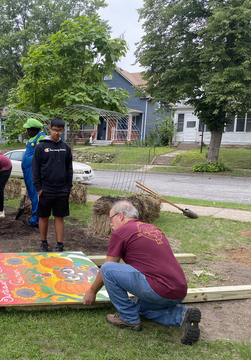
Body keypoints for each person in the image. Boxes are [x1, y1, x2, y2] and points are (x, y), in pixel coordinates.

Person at [83, 201, 201, 345]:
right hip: (179, 290)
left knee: (108, 269)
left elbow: (108, 267)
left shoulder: (120, 233)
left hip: (158, 289)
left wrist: (92, 291)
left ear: (120, 216)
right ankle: (183, 315)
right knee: (142, 309)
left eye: (111, 219)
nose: (110, 224)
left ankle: (128, 319)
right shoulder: (153, 228)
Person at [32, 117, 73, 252]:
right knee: (43, 216)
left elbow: (69, 169)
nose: (56, 133)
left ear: (63, 131)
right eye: (54, 130)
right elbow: (35, 168)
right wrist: (38, 188)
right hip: (45, 189)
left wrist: (68, 187)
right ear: (50, 129)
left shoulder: (65, 147)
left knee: (59, 217)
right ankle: (44, 243)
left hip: (62, 189)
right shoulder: (41, 146)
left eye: (59, 131)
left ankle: (59, 245)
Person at [20, 118, 46, 228]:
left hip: (33, 170)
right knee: (32, 194)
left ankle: (36, 220)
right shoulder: (34, 137)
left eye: (29, 130)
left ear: (35, 130)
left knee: (36, 195)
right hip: (28, 170)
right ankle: (35, 217)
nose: (27, 132)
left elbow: (42, 154)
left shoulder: (41, 138)